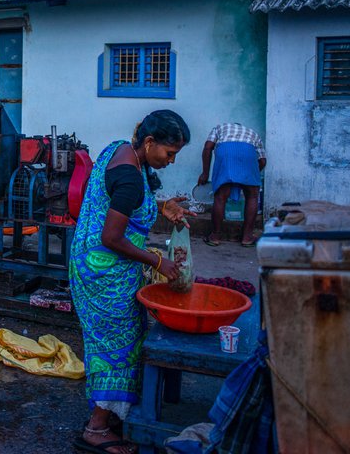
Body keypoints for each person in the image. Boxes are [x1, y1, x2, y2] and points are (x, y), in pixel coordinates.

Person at [69, 110, 193, 454]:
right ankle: (96, 429)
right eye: (169, 154)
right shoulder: (129, 175)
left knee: (122, 340)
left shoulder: (120, 149)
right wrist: (158, 261)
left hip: (93, 264)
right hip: (104, 274)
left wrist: (162, 206)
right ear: (150, 143)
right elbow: (112, 235)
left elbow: (124, 204)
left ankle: (112, 414)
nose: (171, 161)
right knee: (115, 349)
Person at [197, 123, 266, 247]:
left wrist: (205, 173)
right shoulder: (252, 132)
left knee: (220, 197)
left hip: (226, 152)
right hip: (248, 153)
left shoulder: (220, 127)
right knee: (252, 196)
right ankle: (247, 237)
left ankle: (215, 236)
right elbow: (262, 160)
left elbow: (208, 148)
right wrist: (250, 175)